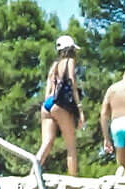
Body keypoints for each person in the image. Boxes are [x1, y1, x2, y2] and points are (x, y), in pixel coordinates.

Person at [36, 35, 85, 177]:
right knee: (71, 146)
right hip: (60, 105)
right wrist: (79, 108)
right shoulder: (69, 61)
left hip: (48, 104)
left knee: (46, 143)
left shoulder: (54, 66)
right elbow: (71, 80)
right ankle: (73, 179)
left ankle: (33, 173)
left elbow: (49, 88)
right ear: (70, 49)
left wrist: (48, 104)